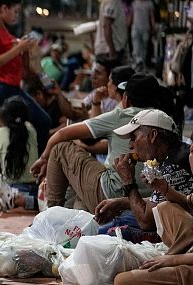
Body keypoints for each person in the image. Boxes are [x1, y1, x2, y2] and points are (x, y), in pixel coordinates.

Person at [30, 73, 162, 213]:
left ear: (126, 99)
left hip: (116, 193)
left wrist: (43, 158)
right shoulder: (165, 119)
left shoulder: (121, 115)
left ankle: (51, 216)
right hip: (153, 197)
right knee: (82, 193)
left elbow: (63, 133)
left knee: (60, 148)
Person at [94, 109, 193, 241]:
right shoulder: (175, 155)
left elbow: (146, 222)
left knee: (108, 232)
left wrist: (128, 181)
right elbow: (161, 200)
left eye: (133, 138)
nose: (130, 146)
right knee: (118, 220)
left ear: (153, 136)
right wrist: (120, 203)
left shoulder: (173, 166)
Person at [0, 0, 51, 153]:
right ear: (4, 8)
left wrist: (22, 47)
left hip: (9, 86)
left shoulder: (1, 27)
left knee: (40, 122)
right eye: (15, 11)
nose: (17, 15)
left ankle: (35, 163)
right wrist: (18, 47)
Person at [130, 0, 155, 70]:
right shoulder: (134, 3)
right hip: (135, 28)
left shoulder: (149, 3)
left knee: (144, 47)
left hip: (145, 28)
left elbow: (151, 16)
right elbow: (131, 15)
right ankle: (138, 63)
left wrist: (153, 27)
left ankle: (142, 64)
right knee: (136, 47)